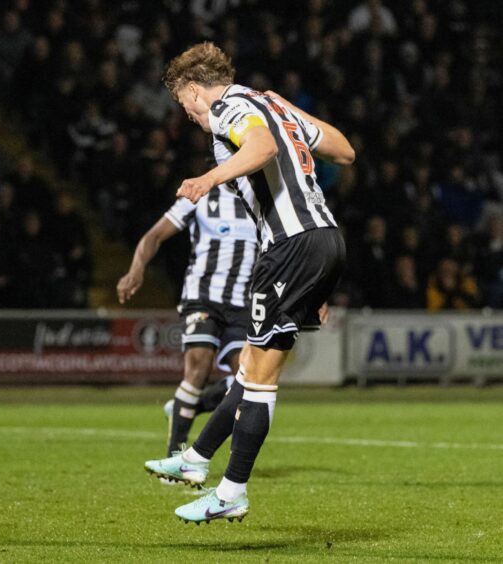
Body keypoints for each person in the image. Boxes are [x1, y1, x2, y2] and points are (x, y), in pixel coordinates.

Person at [144, 43, 354, 524]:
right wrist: (286, 107)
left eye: (183, 104)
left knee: (259, 379)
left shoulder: (227, 109)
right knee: (249, 367)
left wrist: (208, 178)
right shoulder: (274, 105)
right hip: (325, 240)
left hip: (289, 246)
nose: (189, 115)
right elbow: (345, 150)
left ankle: (232, 491)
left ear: (194, 90)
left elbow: (263, 147)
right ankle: (196, 460)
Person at [117, 180, 257, 461]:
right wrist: (136, 270)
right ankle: (175, 459)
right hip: (202, 297)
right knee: (199, 367)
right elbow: (154, 236)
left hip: (242, 304)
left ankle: (188, 406)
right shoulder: (200, 194)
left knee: (249, 381)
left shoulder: (262, 200)